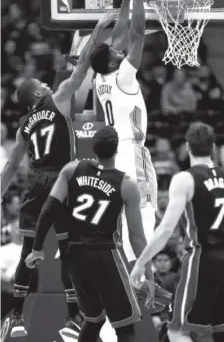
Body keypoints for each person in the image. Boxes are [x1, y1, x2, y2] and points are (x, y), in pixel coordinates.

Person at [1, 12, 117, 339]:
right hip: (62, 182)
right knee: (69, 251)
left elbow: (11, 167)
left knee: (28, 251)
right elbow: (83, 68)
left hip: (36, 184)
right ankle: (72, 319)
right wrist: (97, 28)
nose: (45, 84)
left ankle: (15, 316)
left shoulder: (23, 126)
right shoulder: (60, 97)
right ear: (38, 95)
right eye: (40, 84)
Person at [25, 126, 154, 342]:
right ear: (116, 151)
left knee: (94, 320)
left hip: (74, 256)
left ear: (93, 149)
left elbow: (49, 209)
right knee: (125, 327)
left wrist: (37, 248)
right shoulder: (126, 184)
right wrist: (148, 274)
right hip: (105, 255)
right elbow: (137, 236)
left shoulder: (71, 170)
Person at [131, 122, 224, 342]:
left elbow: (165, 229)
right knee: (220, 329)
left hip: (202, 259)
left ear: (187, 147)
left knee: (176, 331)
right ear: (212, 147)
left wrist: (142, 262)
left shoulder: (185, 179)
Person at [91, 0, 158, 265]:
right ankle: (141, 272)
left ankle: (127, 268)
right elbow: (138, 34)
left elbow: (118, 39)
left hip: (114, 154)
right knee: (144, 209)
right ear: (110, 63)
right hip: (130, 150)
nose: (120, 52)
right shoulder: (123, 77)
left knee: (123, 212)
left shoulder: (100, 78)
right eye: (115, 55)